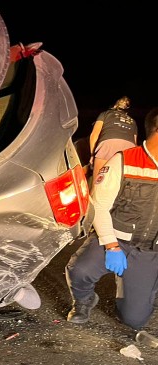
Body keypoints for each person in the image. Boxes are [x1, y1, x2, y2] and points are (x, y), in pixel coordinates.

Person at [65, 107, 158, 329]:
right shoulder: (123, 160)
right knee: (80, 270)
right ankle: (84, 300)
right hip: (115, 240)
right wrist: (111, 245)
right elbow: (99, 205)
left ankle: (134, 286)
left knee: (133, 320)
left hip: (149, 250)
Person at [88, 96, 138, 184]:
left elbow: (94, 135)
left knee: (97, 183)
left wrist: (93, 154)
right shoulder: (133, 121)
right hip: (129, 149)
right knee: (119, 184)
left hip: (109, 144)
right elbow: (134, 142)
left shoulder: (105, 114)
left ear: (114, 105)